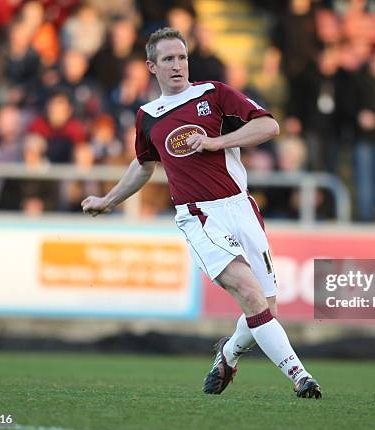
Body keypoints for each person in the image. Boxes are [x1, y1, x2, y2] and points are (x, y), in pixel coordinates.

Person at [81, 27, 321, 399]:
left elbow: (269, 126)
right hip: (200, 216)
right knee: (250, 294)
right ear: (151, 66)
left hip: (242, 208)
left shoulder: (214, 93)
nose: (177, 65)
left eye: (181, 57)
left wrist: (216, 142)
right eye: (167, 60)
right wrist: (109, 200)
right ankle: (301, 376)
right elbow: (144, 165)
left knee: (267, 308)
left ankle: (228, 353)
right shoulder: (147, 117)